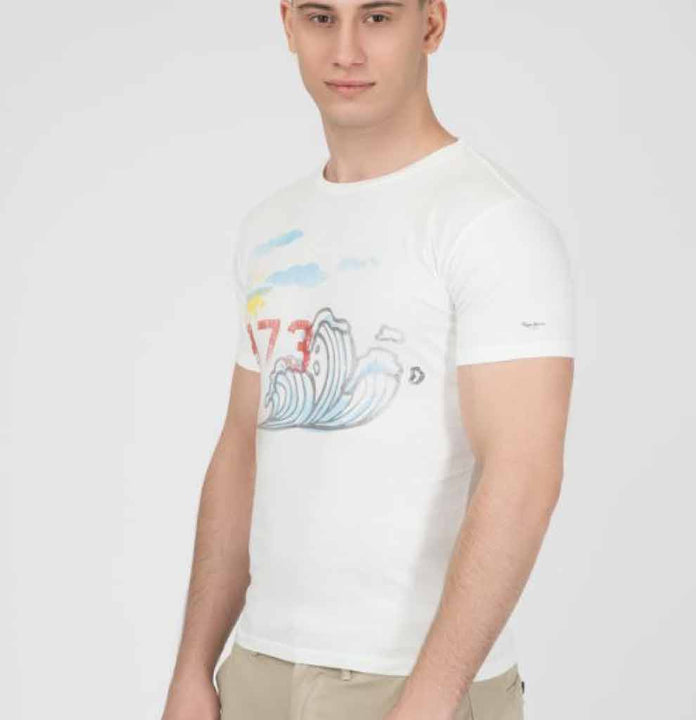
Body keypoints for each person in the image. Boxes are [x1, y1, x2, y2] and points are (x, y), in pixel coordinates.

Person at [161, 1, 576, 719]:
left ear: (431, 25)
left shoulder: (490, 224)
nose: (346, 51)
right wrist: (194, 667)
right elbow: (241, 448)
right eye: (321, 18)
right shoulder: (270, 226)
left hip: (412, 683)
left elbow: (523, 474)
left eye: (377, 17)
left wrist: (429, 700)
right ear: (287, 24)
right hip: (259, 671)